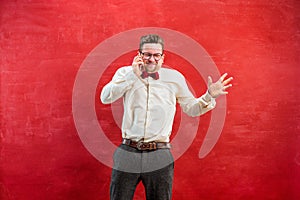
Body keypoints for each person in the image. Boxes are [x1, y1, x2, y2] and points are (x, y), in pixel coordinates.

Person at [100, 34, 233, 200]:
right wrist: (132, 75)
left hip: (160, 153)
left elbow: (191, 109)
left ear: (163, 57)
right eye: (147, 54)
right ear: (139, 54)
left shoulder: (175, 78)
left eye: (157, 55)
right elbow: (105, 98)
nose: (152, 59)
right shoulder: (124, 73)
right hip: (128, 151)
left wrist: (208, 96)